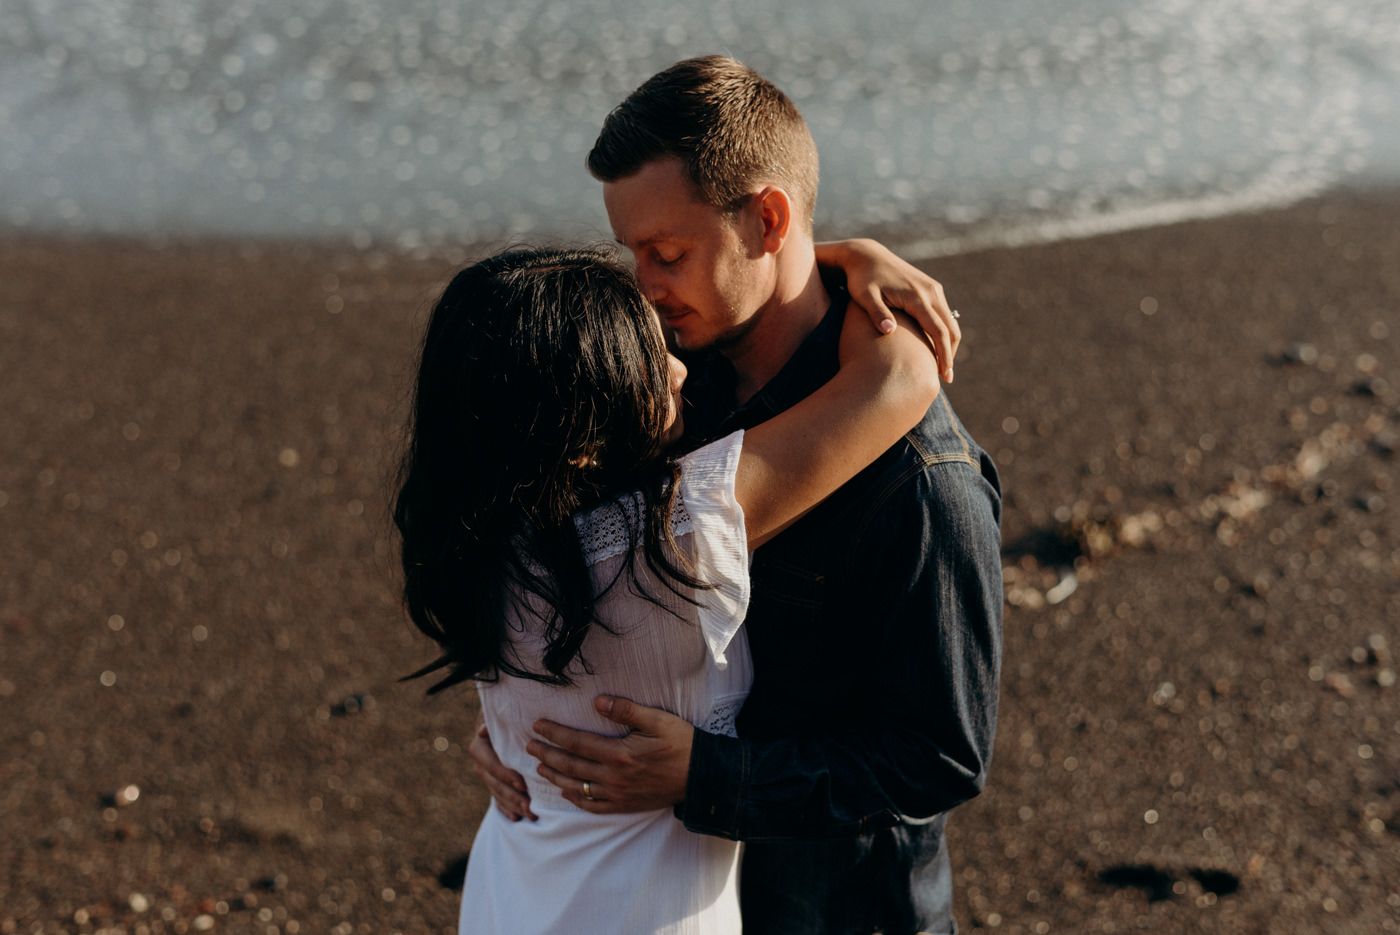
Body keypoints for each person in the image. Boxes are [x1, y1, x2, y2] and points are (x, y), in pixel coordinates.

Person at [472, 56, 1004, 933]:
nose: (641, 288)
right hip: (677, 891)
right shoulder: (675, 392)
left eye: (667, 253)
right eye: (629, 252)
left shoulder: (921, 483)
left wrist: (709, 778)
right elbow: (575, 572)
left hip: (841, 911)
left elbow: (940, 757)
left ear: (767, 219)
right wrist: (515, 720)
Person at [394, 246, 942, 932]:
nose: (682, 367)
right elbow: (901, 377)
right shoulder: (674, 538)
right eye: (649, 362)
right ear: (581, 433)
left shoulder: (472, 542)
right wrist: (842, 256)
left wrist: (501, 730)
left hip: (513, 889)